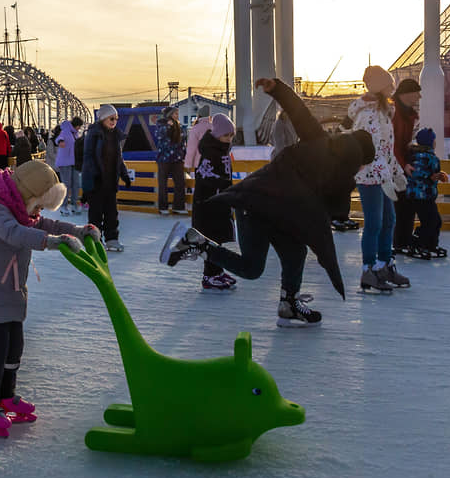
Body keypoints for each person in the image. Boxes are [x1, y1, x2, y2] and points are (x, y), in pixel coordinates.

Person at [160, 78, 376, 327]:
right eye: (363, 164)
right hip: (255, 206)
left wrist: (277, 88)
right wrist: (279, 90)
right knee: (252, 268)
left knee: (296, 252)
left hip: (276, 210)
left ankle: (289, 304)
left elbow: (298, 111)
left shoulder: (324, 150)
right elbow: (299, 113)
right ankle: (196, 243)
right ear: (357, 157)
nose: (361, 170)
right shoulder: (329, 160)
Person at [0, 160, 99, 437]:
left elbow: (45, 223)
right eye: (38, 205)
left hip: (11, 295)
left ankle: (4, 398)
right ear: (26, 196)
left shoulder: (20, 209)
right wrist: (52, 241)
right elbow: (15, 234)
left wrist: (76, 231)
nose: (39, 213)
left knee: (14, 351)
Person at [350, 66, 410, 292]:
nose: (392, 88)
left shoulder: (383, 112)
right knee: (374, 223)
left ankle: (385, 264)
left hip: (382, 174)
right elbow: (366, 149)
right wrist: (383, 173)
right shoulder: (367, 115)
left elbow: (386, 149)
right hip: (369, 176)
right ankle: (368, 269)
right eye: (388, 84)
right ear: (379, 87)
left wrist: (396, 172)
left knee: (388, 221)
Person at [192, 114, 237, 292]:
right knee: (211, 239)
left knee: (220, 239)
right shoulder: (210, 153)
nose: (228, 139)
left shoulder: (223, 151)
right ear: (217, 134)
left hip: (221, 202)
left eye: (231, 136)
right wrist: (220, 185)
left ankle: (217, 271)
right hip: (208, 205)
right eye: (226, 135)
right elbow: (203, 177)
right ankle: (209, 275)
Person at [81, 104, 131, 252]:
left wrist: (125, 175)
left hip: (110, 181)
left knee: (111, 212)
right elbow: (88, 156)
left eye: (116, 118)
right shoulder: (93, 134)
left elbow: (119, 159)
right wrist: (92, 176)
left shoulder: (115, 135)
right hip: (96, 181)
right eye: (111, 118)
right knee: (96, 214)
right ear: (102, 118)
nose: (114, 121)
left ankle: (112, 239)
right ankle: (95, 241)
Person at [405, 128, 448, 259]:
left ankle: (430, 244)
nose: (435, 142)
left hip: (423, 195)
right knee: (431, 221)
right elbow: (416, 172)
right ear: (430, 142)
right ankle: (419, 244)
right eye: (434, 140)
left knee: (435, 221)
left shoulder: (423, 155)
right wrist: (431, 176)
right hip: (421, 196)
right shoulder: (424, 156)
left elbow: (429, 173)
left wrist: (438, 176)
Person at [390, 79, 422, 255]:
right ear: (406, 94)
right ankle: (399, 241)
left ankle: (403, 239)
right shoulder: (394, 112)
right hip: (393, 165)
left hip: (403, 163)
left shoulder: (409, 114)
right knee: (401, 204)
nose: (419, 96)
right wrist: (403, 165)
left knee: (407, 203)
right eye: (417, 92)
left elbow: (403, 143)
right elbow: (391, 144)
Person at [155, 106, 187, 215]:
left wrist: (184, 155)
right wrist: (168, 127)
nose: (177, 115)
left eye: (177, 113)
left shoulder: (180, 126)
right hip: (164, 159)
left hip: (177, 159)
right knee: (163, 183)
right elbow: (159, 136)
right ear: (169, 115)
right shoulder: (161, 125)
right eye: (175, 113)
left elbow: (183, 142)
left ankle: (178, 206)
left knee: (180, 183)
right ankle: (163, 207)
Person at [54, 117, 84, 216]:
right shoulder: (66, 131)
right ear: (76, 125)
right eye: (79, 126)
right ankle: (63, 206)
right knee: (66, 184)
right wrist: (60, 142)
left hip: (74, 162)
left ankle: (74, 204)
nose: (79, 128)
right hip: (65, 162)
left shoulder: (75, 134)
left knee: (75, 183)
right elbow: (58, 138)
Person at [184, 105, 212, 171]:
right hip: (214, 162)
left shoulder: (196, 128)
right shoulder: (214, 126)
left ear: (198, 115)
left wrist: (188, 164)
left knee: (200, 181)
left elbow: (191, 148)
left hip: (199, 162)